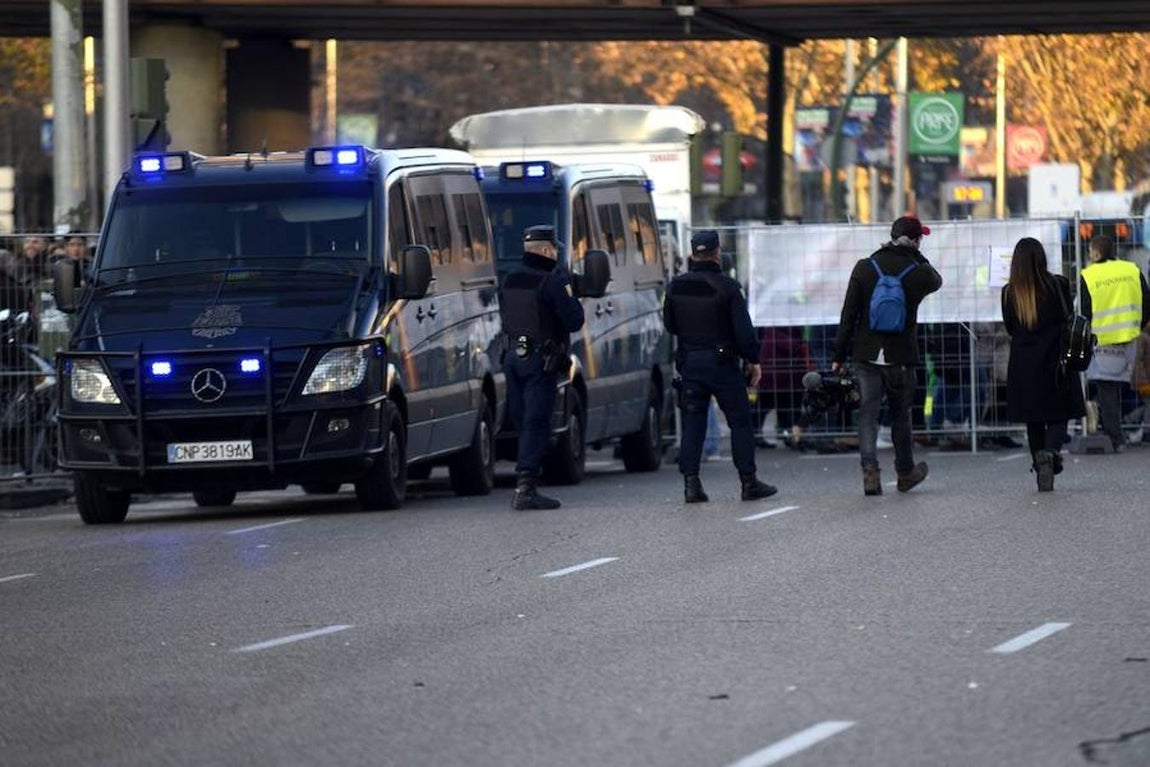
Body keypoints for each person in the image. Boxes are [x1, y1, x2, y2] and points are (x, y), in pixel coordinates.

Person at [663, 229, 777, 504]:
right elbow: (744, 332)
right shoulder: (727, 286)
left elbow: (670, 325)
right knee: (739, 420)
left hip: (690, 363)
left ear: (693, 254)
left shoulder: (675, 286)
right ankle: (748, 482)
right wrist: (753, 360)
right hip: (723, 365)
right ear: (717, 254)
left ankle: (691, 484)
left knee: (693, 421)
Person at [832, 215, 942, 496]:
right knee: (901, 415)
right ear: (916, 240)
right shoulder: (918, 272)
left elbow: (849, 315)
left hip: (867, 355)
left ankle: (870, 473)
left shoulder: (865, 267)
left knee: (867, 415)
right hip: (901, 356)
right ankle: (905, 472)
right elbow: (936, 280)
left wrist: (839, 355)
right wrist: (917, 255)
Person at [498, 225, 585, 510]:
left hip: (513, 357)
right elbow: (574, 320)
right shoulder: (550, 282)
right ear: (547, 251)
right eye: (555, 250)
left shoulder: (510, 280)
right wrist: (568, 289)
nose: (556, 254)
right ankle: (526, 488)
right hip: (540, 360)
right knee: (537, 422)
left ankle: (526, 481)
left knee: (524, 421)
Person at [1000, 237, 1086, 491]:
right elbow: (1068, 316)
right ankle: (1050, 453)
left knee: (1033, 419)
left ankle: (1041, 463)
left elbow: (1010, 328)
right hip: (1056, 360)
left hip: (1024, 365)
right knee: (1059, 414)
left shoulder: (1009, 293)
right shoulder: (1057, 284)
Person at [1079, 234, 1150, 452]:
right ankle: (1135, 429)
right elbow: (1147, 300)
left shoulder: (1088, 275)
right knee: (1139, 385)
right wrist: (1139, 326)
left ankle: (1116, 437)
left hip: (1103, 341)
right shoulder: (1132, 270)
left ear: (1096, 252)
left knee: (1106, 388)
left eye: (1090, 251)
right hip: (1131, 336)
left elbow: (1084, 310)